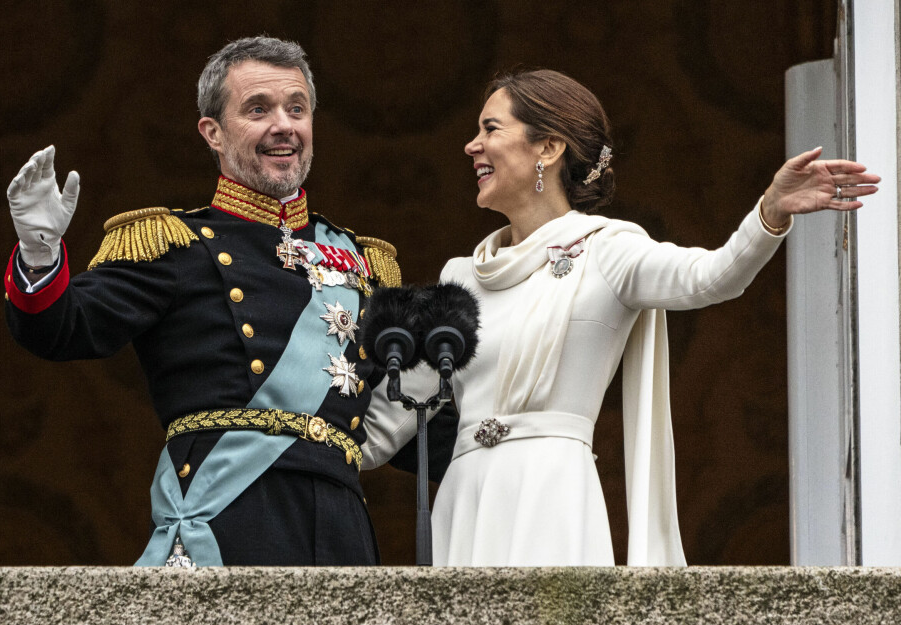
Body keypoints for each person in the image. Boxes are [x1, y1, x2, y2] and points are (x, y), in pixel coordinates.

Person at [362, 69, 880, 566]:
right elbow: (387, 423)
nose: (472, 145)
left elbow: (711, 276)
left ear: (548, 146)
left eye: (490, 129)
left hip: (550, 493)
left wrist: (770, 212)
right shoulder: (459, 276)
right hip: (465, 500)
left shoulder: (608, 251)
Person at [3, 35, 454, 567]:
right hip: (228, 519)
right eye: (257, 110)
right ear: (212, 133)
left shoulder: (364, 262)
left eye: (297, 109)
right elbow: (61, 329)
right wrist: (39, 252)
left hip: (339, 526)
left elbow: (416, 423)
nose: (283, 125)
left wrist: (529, 446)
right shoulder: (175, 244)